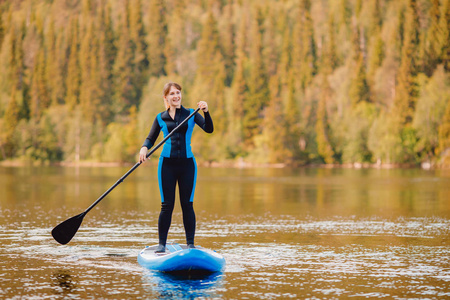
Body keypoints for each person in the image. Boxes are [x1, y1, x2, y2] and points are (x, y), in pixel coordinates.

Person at [139, 82, 213, 253]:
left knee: (187, 204)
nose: (176, 96)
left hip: (188, 165)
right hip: (167, 165)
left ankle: (191, 244)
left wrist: (206, 112)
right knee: (167, 206)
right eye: (172, 93)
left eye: (178, 93)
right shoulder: (160, 118)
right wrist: (144, 148)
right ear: (166, 98)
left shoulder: (191, 114)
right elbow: (151, 138)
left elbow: (209, 129)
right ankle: (162, 245)